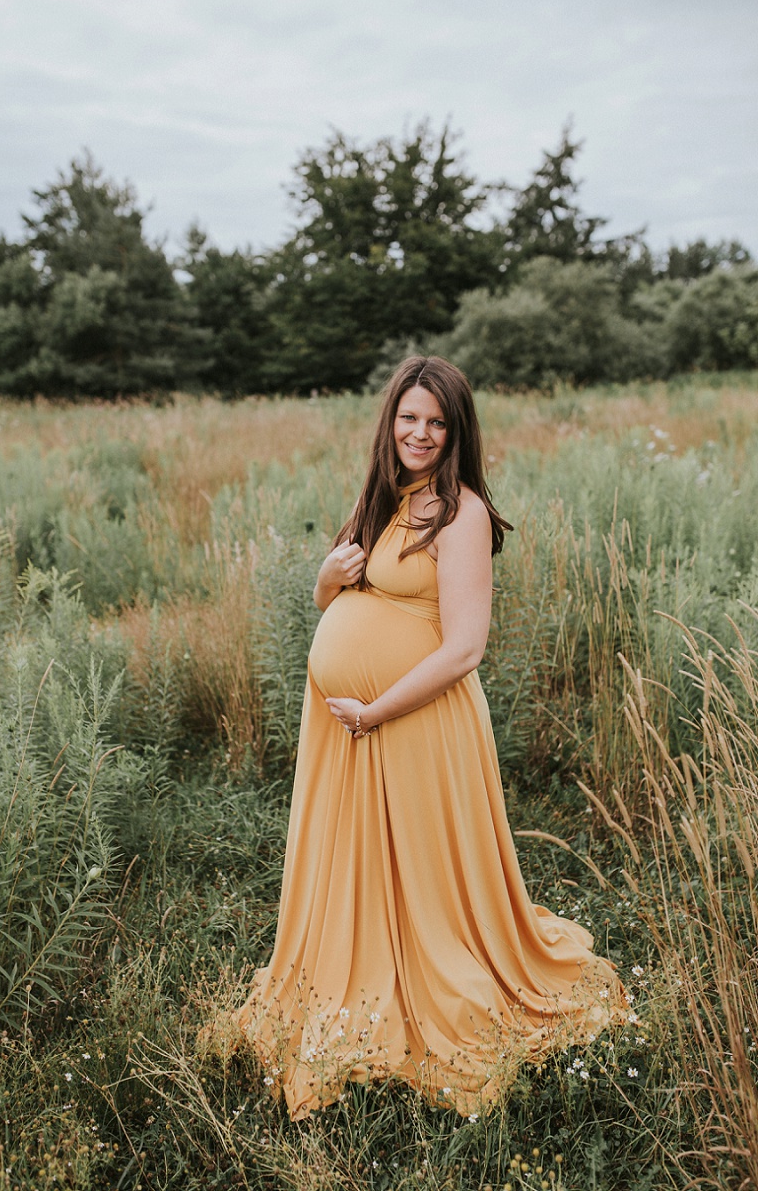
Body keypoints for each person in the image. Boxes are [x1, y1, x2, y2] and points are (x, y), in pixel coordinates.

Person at [231, 355, 626, 1119]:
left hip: (414, 724)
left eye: (437, 422)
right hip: (350, 729)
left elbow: (465, 649)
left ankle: (433, 971)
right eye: (410, 417)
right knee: (362, 860)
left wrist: (377, 712)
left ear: (456, 432)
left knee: (423, 864)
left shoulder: (461, 512)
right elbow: (333, 598)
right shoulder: (384, 498)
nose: (420, 432)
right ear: (391, 422)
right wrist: (323, 576)